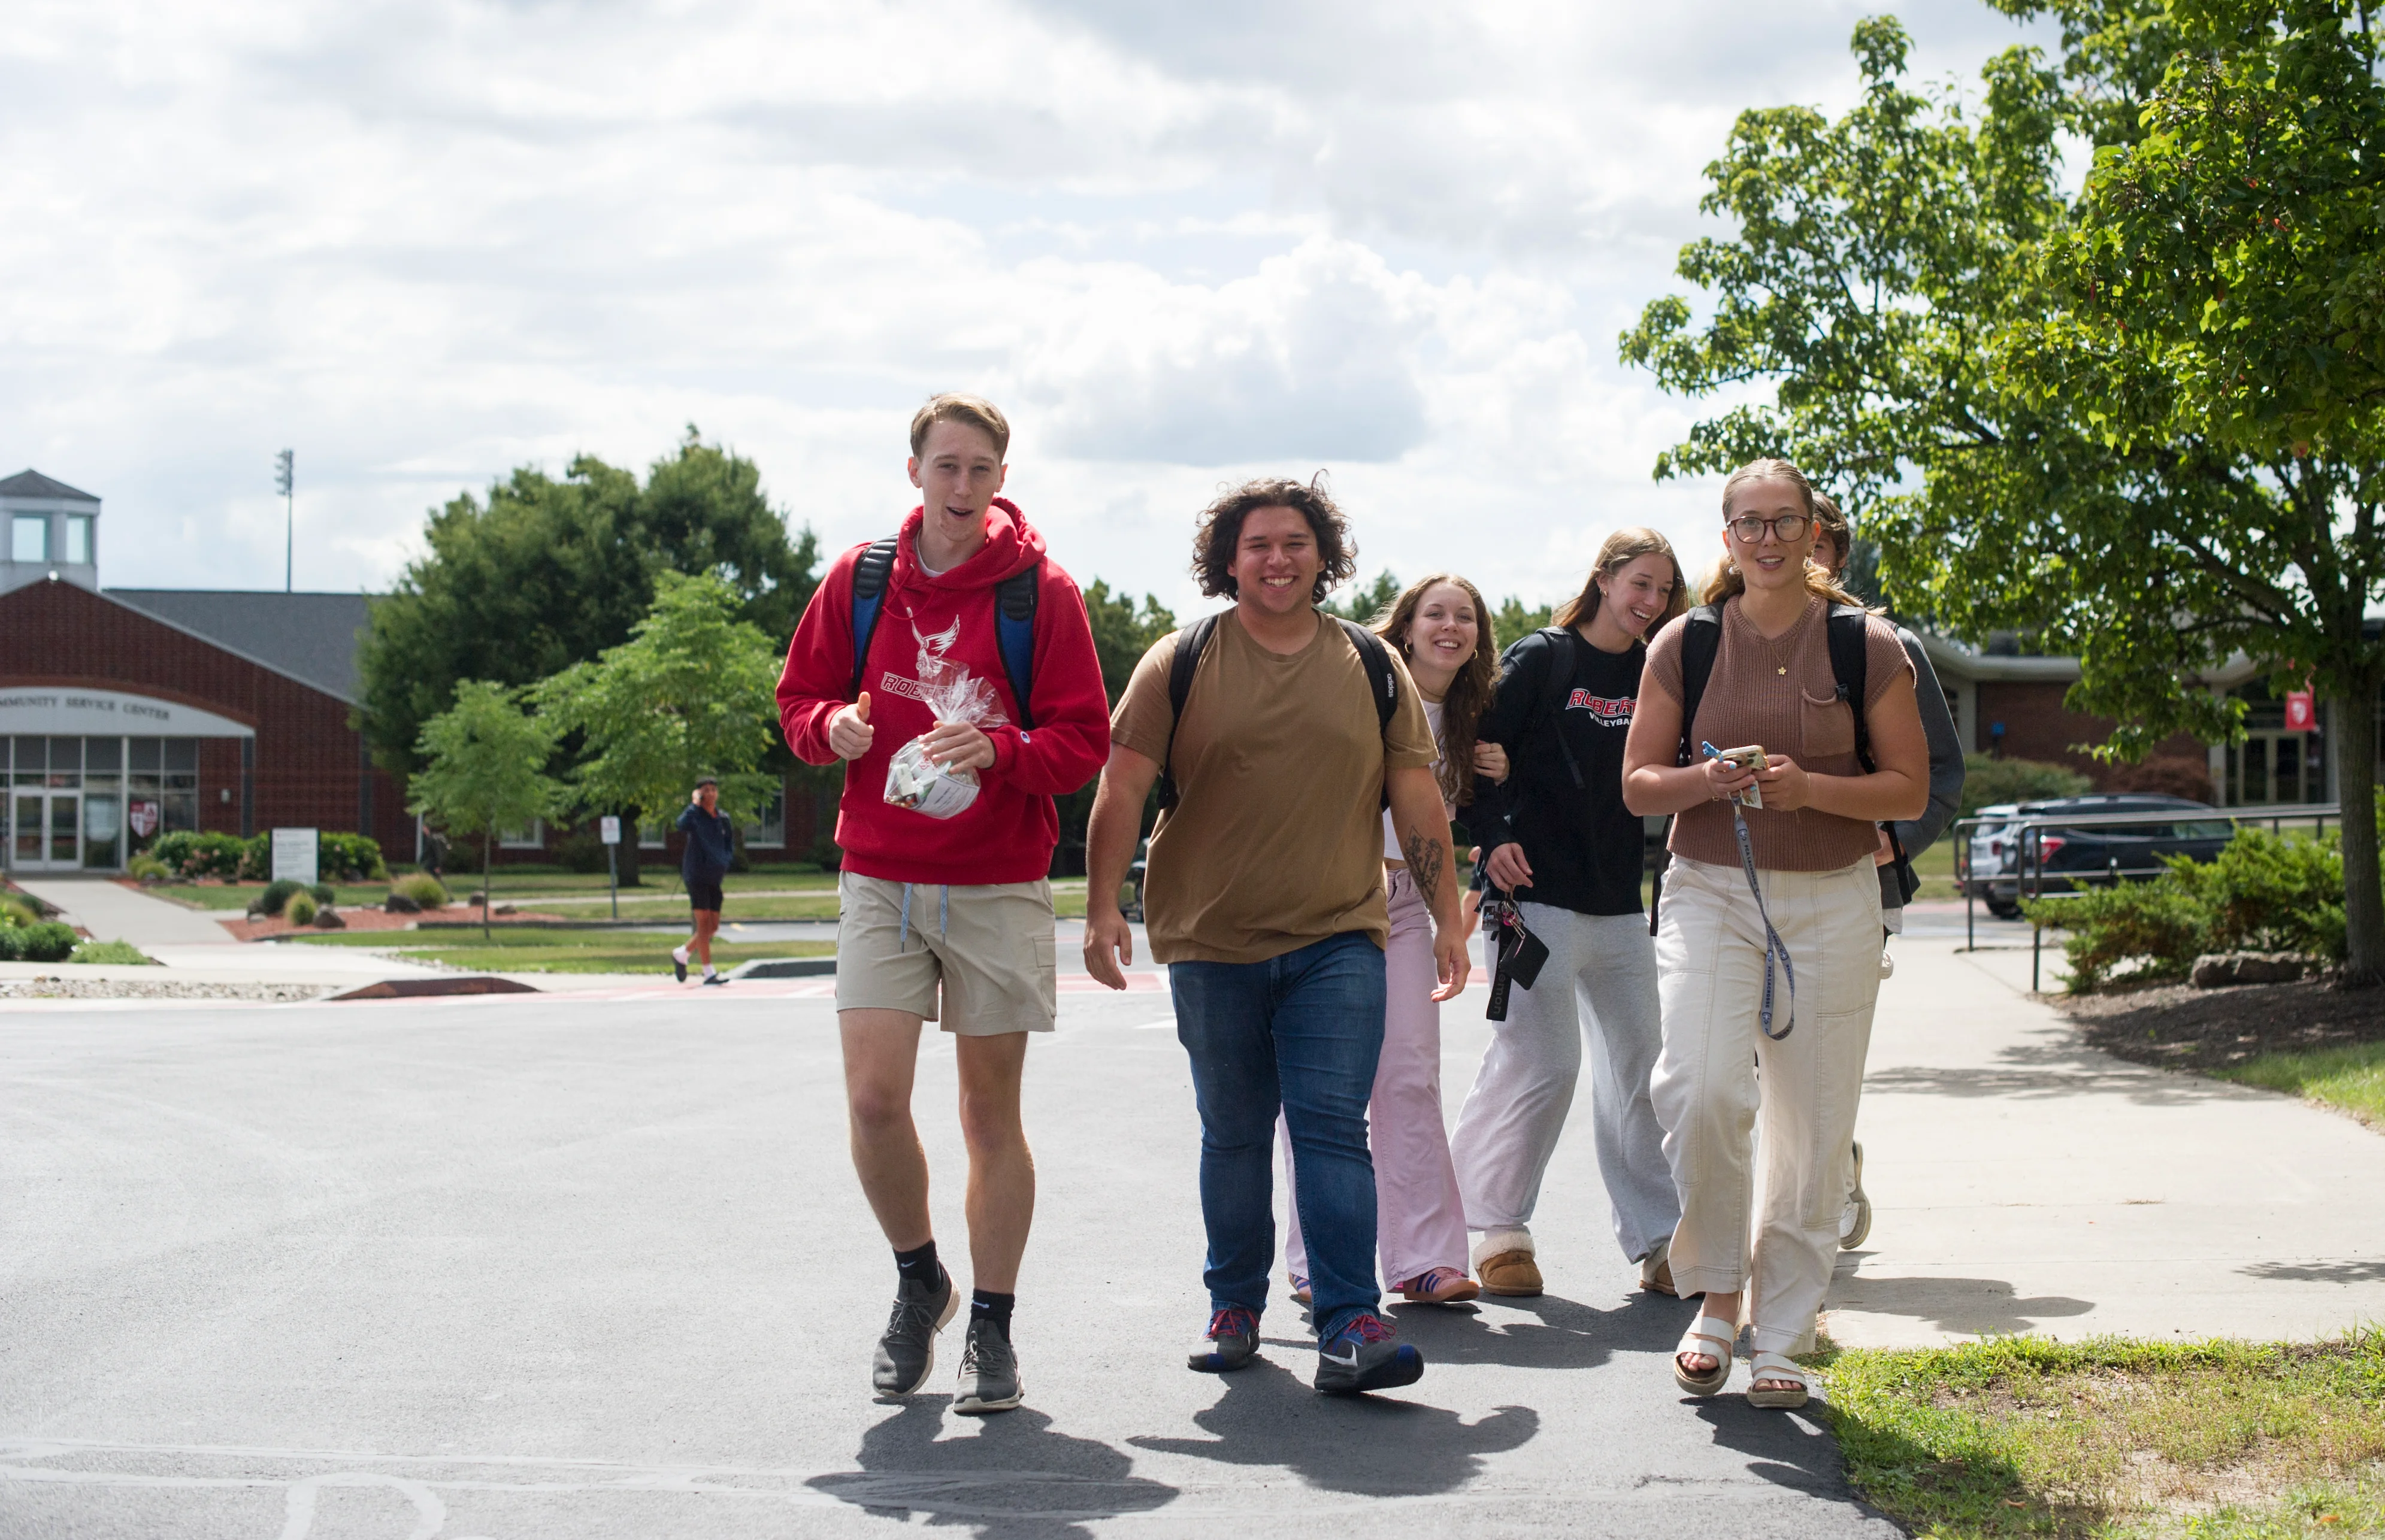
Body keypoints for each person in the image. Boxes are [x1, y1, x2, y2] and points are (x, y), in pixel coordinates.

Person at [1082, 475, 1469, 1397]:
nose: (1277, 559)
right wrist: (1100, 908)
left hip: (1338, 935)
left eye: (1295, 542)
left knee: (1332, 1128)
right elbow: (1122, 786)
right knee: (1234, 1134)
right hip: (1209, 939)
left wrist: (1447, 916)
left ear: (1322, 556)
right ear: (1228, 560)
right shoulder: (1179, 661)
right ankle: (1233, 1308)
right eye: (1257, 543)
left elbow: (1416, 797)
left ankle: (1350, 1322)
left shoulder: (1371, 664)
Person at [776, 392, 1109, 1415]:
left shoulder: (1041, 593)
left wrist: (1001, 749)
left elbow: (1082, 743)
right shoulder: (862, 579)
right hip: (880, 873)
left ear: (1002, 478)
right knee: (874, 1101)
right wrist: (829, 729)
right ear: (914, 470)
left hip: (996, 879)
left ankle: (992, 1328)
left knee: (985, 1112)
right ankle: (920, 1277)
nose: (961, 486)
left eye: (980, 469)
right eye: (945, 465)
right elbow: (797, 702)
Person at [1623, 457, 1929, 1410]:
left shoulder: (1864, 643)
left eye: (1783, 521)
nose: (1766, 538)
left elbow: (1908, 789)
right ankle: (1717, 1297)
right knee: (1699, 1089)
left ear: (1810, 532)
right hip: (1709, 890)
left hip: (1832, 896)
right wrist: (1704, 782)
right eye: (1748, 524)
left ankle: (1784, 1332)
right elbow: (1638, 783)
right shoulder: (1686, 641)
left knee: (1812, 1124)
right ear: (1727, 538)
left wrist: (1810, 790)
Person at [1446, 529, 1689, 1300]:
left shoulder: (1661, 670)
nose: (1650, 601)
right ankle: (1497, 1229)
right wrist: (1493, 838)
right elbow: (1474, 753)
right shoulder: (1542, 657)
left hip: (1619, 905)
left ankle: (1660, 1238)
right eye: (1639, 583)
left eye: (1663, 589)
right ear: (1604, 579)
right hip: (1531, 900)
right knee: (1542, 1063)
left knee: (1643, 1068)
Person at [1279, 575, 1508, 1308]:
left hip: (1408, 903)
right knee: (1324, 1088)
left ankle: (1424, 1259)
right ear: (1405, 627)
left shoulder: (1476, 720)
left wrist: (1500, 774)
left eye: (1465, 616)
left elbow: (1480, 817)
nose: (1450, 626)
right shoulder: (1362, 683)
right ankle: (1318, 1260)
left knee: (1409, 1074)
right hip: (1328, 897)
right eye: (1434, 613)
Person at [1806, 495, 1965, 1250]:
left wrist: (1894, 839)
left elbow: (1942, 773)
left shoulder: (1886, 645)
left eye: (1813, 542)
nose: (1792, 556)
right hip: (1748, 886)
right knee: (1748, 1061)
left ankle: (1829, 1182)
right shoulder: (1725, 642)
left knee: (1824, 1050)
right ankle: (1797, 1191)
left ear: (1838, 556)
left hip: (1860, 886)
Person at [672, 777, 734, 985]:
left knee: (712, 928)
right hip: (696, 875)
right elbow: (681, 825)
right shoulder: (695, 816)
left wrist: (725, 860)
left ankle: (682, 954)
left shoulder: (723, 819)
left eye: (713, 790)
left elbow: (729, 844)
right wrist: (694, 804)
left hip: (714, 877)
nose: (711, 793)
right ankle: (709, 973)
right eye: (706, 790)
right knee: (703, 923)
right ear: (699, 794)